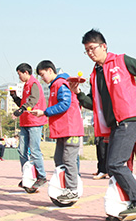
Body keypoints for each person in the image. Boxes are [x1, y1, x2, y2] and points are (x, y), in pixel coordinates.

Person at [73, 29, 136, 217]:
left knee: (115, 163)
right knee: (112, 165)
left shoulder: (121, 60)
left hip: (129, 118)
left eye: (93, 48)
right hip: (115, 124)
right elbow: (92, 102)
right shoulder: (95, 74)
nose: (91, 53)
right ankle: (124, 201)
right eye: (87, 50)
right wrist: (77, 93)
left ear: (103, 46)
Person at [35, 60, 84, 203]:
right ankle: (65, 186)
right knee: (59, 159)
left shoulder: (61, 84)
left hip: (71, 129)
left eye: (43, 74)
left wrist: (45, 112)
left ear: (50, 70)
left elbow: (65, 104)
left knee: (69, 160)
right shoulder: (55, 85)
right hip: (63, 130)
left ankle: (72, 189)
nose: (42, 78)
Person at [11, 63, 48, 192]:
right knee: (21, 151)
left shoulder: (34, 84)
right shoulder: (26, 85)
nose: (19, 76)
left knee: (34, 150)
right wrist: (15, 97)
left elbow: (33, 100)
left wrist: (19, 111)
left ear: (26, 72)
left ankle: (41, 175)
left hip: (35, 122)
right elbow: (24, 103)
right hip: (25, 122)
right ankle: (27, 175)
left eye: (19, 74)